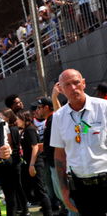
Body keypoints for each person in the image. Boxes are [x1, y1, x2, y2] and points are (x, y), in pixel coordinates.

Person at [51, 69, 107, 215]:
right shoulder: (58, 117)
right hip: (81, 187)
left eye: (76, 82)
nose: (73, 88)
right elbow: (59, 155)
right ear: (61, 89)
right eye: (67, 85)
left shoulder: (103, 108)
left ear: (84, 83)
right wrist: (64, 191)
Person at [17, 111, 53, 216]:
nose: (16, 121)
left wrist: (32, 165)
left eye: (18, 119)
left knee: (40, 189)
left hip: (35, 163)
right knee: (35, 189)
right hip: (28, 163)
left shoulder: (30, 130)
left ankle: (49, 212)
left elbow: (35, 146)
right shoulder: (24, 130)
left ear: (24, 119)